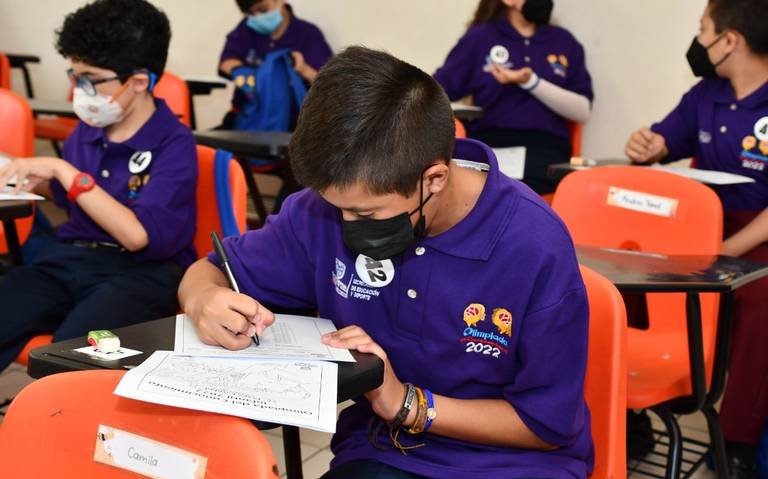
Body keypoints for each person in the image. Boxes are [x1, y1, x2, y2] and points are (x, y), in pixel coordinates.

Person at [179, 46, 593, 479]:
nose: (344, 222)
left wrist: (406, 402)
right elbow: (207, 269)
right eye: (336, 206)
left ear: (434, 178)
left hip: (513, 464)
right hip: (383, 454)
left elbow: (546, 425)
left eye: (364, 215)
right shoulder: (321, 210)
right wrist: (204, 298)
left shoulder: (532, 243)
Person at [0, 0, 197, 372]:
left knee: (67, 360)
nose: (78, 89)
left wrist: (62, 170)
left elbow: (137, 236)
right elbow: (71, 198)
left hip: (140, 272)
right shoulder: (87, 132)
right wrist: (26, 177)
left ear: (138, 82)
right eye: (74, 76)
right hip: (69, 257)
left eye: (90, 78)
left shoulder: (174, 141)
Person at [625, 0, 768, 476]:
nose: (699, 41)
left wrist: (728, 250)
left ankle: (738, 441)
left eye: (704, 30)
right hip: (698, 228)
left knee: (759, 303)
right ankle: (632, 411)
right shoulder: (705, 95)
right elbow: (666, 141)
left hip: (755, 236)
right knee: (631, 279)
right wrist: (651, 145)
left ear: (730, 40)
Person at [434, 0, 593, 194]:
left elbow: (583, 110)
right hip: (490, 146)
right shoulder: (480, 38)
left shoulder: (564, 42)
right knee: (477, 185)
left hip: (545, 149)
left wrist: (530, 82)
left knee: (518, 189)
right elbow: (436, 91)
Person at [218, 0, 333, 129]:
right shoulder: (246, 29)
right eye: (251, 13)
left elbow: (330, 86)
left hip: (293, 123)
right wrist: (243, 73)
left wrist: (304, 69)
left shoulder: (308, 34)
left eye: (263, 9)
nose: (257, 17)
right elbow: (226, 62)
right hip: (247, 117)